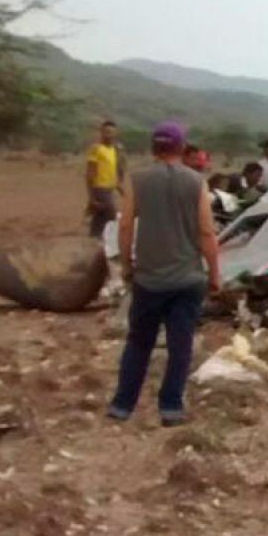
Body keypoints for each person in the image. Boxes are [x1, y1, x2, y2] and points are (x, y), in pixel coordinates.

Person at [107, 122, 221, 427]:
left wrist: (127, 267)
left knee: (139, 343)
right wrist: (215, 274)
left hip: (149, 279)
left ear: (153, 148)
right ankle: (170, 407)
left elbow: (126, 226)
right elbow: (207, 233)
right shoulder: (197, 182)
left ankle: (122, 405)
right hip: (187, 280)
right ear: (182, 148)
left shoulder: (137, 180)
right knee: (180, 345)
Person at [85, 119, 123, 238]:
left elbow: (113, 170)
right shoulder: (96, 149)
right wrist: (91, 197)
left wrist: (118, 186)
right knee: (112, 217)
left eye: (112, 132)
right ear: (101, 133)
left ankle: (91, 244)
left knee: (99, 219)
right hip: (100, 189)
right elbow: (90, 173)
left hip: (109, 189)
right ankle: (113, 249)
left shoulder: (113, 150)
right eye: (106, 132)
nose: (109, 135)